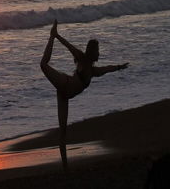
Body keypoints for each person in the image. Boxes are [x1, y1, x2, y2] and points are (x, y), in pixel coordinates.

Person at [40, 19, 128, 171]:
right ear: (93, 52)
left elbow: (107, 69)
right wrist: (57, 36)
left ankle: (65, 167)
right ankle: (51, 35)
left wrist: (119, 67)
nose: (99, 54)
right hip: (64, 84)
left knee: (63, 131)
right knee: (43, 65)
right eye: (98, 51)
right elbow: (69, 46)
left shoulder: (93, 71)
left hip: (64, 96)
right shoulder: (81, 58)